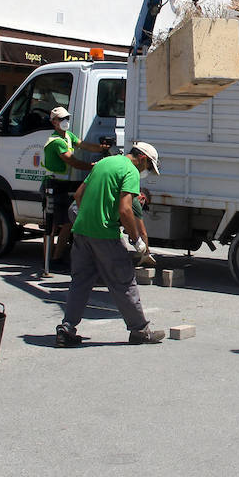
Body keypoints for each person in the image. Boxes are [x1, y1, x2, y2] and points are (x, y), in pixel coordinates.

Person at [55, 142, 166, 347]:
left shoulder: (104, 163)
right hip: (105, 234)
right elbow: (125, 210)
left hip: (81, 231)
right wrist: (136, 240)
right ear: (142, 158)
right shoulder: (130, 171)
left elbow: (79, 195)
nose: (147, 172)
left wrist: (90, 217)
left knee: (80, 282)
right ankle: (139, 331)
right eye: (149, 167)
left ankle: (67, 329)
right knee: (123, 281)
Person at [41, 106, 111, 262]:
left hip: (64, 185)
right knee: (51, 225)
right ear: (53, 122)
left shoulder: (68, 136)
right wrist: (93, 167)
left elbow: (84, 145)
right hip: (52, 185)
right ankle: (47, 260)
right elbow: (71, 161)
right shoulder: (55, 142)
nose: (65, 121)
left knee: (66, 224)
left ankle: (56, 258)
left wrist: (101, 148)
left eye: (67, 118)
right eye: (61, 119)